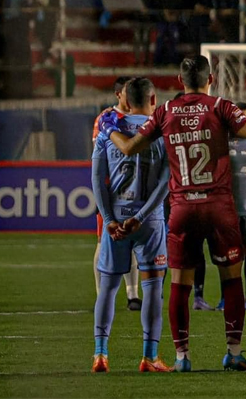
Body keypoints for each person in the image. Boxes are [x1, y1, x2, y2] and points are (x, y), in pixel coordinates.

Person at [104, 55, 246, 372]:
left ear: (181, 82)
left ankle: (182, 358)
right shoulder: (220, 107)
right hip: (219, 208)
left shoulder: (166, 111)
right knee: (231, 280)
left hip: (182, 208)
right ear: (210, 79)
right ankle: (233, 353)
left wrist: (110, 127)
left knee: (180, 284)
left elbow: (128, 148)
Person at [91, 78, 171, 373]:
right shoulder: (161, 132)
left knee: (108, 289)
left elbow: (97, 180)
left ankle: (100, 354)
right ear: (153, 99)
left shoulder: (107, 132)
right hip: (148, 221)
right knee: (152, 289)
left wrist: (109, 219)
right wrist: (141, 216)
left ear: (124, 98)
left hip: (115, 221)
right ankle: (149, 357)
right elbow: (165, 182)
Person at [198, 103, 246, 312]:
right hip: (227, 209)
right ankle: (225, 298)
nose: (245, 122)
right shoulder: (223, 143)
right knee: (227, 255)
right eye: (241, 118)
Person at [93, 77, 142, 312]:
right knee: (104, 241)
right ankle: (101, 293)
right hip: (113, 193)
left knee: (133, 243)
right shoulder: (105, 119)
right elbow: (100, 155)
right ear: (118, 95)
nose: (130, 95)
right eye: (126, 91)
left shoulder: (138, 117)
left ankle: (133, 293)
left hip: (136, 191)